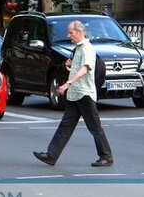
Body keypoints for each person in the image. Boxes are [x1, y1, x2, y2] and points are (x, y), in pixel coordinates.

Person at [33, 21, 113, 167]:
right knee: (66, 125)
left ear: (79, 32)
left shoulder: (87, 48)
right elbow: (78, 69)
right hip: (75, 93)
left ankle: (106, 156)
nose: (69, 36)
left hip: (84, 93)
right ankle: (51, 155)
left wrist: (67, 83)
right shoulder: (78, 48)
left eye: (71, 32)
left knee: (94, 126)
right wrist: (70, 65)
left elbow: (85, 69)